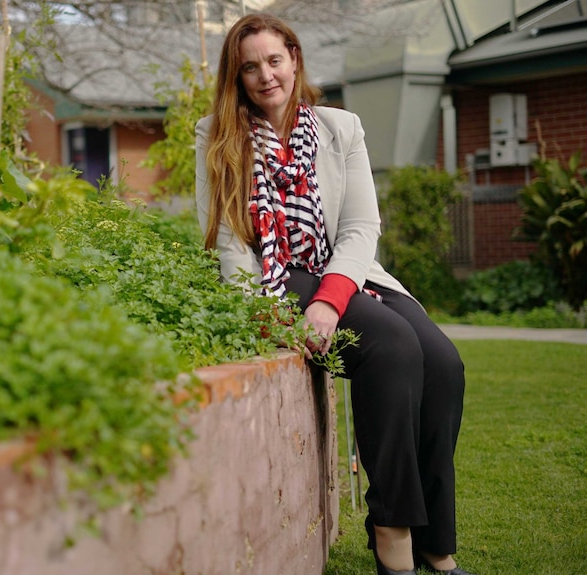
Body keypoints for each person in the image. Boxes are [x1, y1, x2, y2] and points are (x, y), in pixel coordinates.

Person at [195, 13, 475, 575]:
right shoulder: (217, 134)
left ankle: (435, 543)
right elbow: (226, 240)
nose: (265, 75)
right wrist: (265, 311)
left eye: (275, 60)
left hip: (344, 271)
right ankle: (393, 532)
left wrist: (330, 298)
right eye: (250, 66)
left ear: (294, 59)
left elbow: (359, 228)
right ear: (237, 75)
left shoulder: (339, 127)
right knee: (392, 348)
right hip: (274, 277)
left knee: (443, 363)